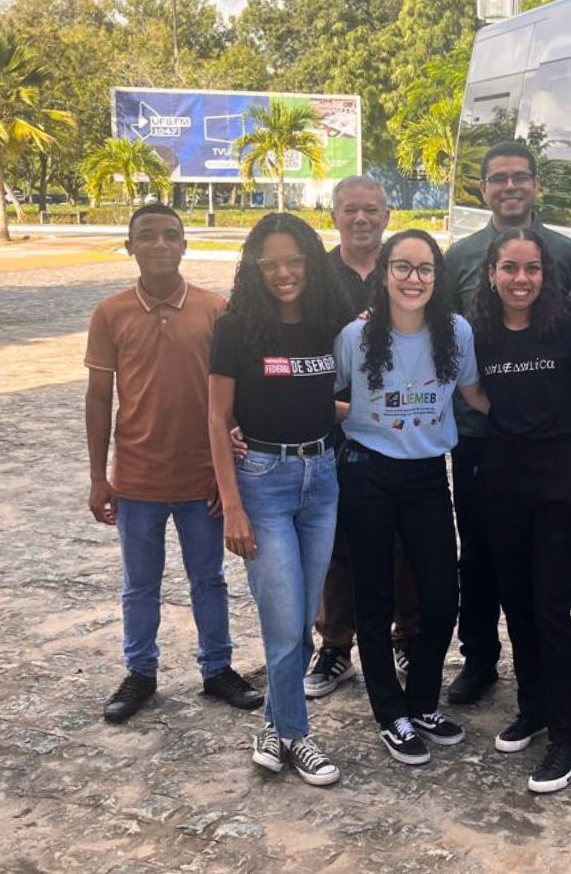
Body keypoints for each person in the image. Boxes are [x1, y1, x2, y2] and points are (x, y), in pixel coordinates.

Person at [84, 203, 263, 724]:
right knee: (139, 584)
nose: (160, 245)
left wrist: (225, 473)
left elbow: (235, 399)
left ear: (185, 245)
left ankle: (217, 668)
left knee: (208, 580)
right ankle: (140, 672)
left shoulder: (215, 310)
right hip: (137, 480)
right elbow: (99, 399)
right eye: (147, 236)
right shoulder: (110, 313)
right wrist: (100, 477)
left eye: (170, 236)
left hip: (200, 478)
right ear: (130, 246)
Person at [207, 213, 355, 786]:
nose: (284, 273)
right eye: (270, 264)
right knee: (284, 615)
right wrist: (233, 505)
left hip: (321, 477)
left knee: (300, 614)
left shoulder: (329, 323)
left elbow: (333, 395)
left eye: (294, 261)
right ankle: (298, 736)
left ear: (311, 262)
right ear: (255, 268)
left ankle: (274, 726)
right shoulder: (236, 326)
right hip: (262, 482)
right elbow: (218, 419)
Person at [334, 229, 489, 765]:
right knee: (373, 600)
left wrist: (546, 421)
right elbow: (332, 401)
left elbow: (475, 395)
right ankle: (390, 713)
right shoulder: (356, 337)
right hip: (367, 473)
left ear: (437, 277)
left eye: (425, 269)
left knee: (442, 596)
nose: (413, 279)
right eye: (402, 267)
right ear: (383, 273)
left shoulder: (456, 332)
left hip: (426, 474)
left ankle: (422, 700)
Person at [442, 140, 571, 706]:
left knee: (542, 570)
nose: (510, 187)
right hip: (480, 435)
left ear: (536, 184)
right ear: (483, 189)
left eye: (521, 177)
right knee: (477, 553)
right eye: (498, 179)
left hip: (548, 438)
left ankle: (543, 676)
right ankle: (479, 659)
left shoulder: (564, 252)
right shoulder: (461, 256)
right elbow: (441, 330)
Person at [469, 228, 571, 793]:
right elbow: (474, 393)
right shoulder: (479, 333)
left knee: (551, 608)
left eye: (532, 269)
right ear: (492, 273)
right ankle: (534, 708)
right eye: (510, 268)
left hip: (559, 484)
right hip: (502, 481)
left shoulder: (567, 325)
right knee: (516, 603)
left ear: (545, 273)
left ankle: (568, 738)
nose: (521, 279)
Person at [307, 176, 420, 699]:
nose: (360, 219)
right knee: (336, 541)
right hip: (331, 426)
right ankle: (334, 645)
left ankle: (408, 636)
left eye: (370, 209)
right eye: (350, 209)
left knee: (402, 538)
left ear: (387, 214)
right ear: (333, 215)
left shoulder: (405, 268)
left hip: (400, 426)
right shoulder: (315, 274)